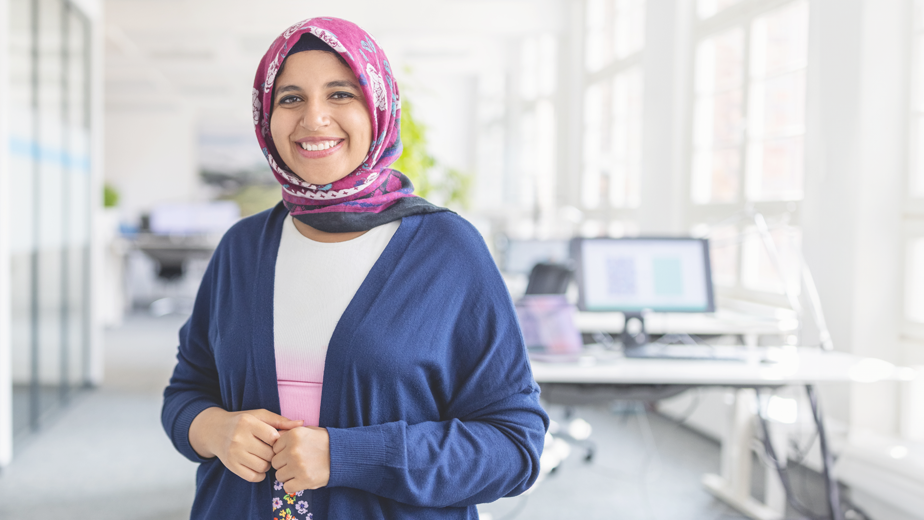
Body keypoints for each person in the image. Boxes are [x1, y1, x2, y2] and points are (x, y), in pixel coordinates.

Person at [161, 16, 549, 520]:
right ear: (267, 117)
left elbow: (514, 446)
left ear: (378, 107)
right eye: (291, 98)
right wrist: (210, 428)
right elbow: (187, 390)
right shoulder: (242, 247)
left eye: (340, 94)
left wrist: (348, 456)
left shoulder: (448, 250)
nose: (314, 118)